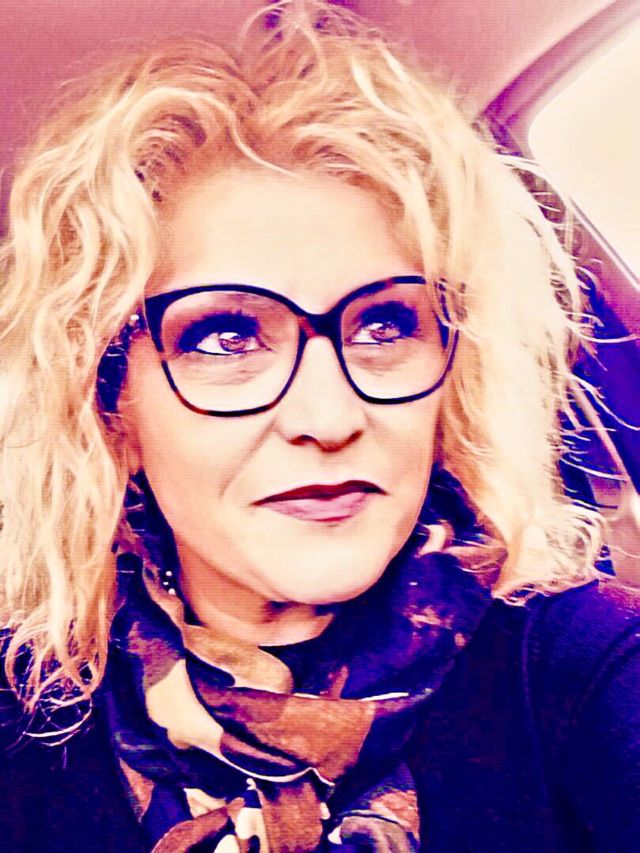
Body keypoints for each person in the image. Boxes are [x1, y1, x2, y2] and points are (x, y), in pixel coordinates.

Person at [0, 1, 638, 850]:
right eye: (226, 337)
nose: (329, 416)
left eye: (385, 325)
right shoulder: (29, 722)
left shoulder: (581, 664)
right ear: (112, 407)